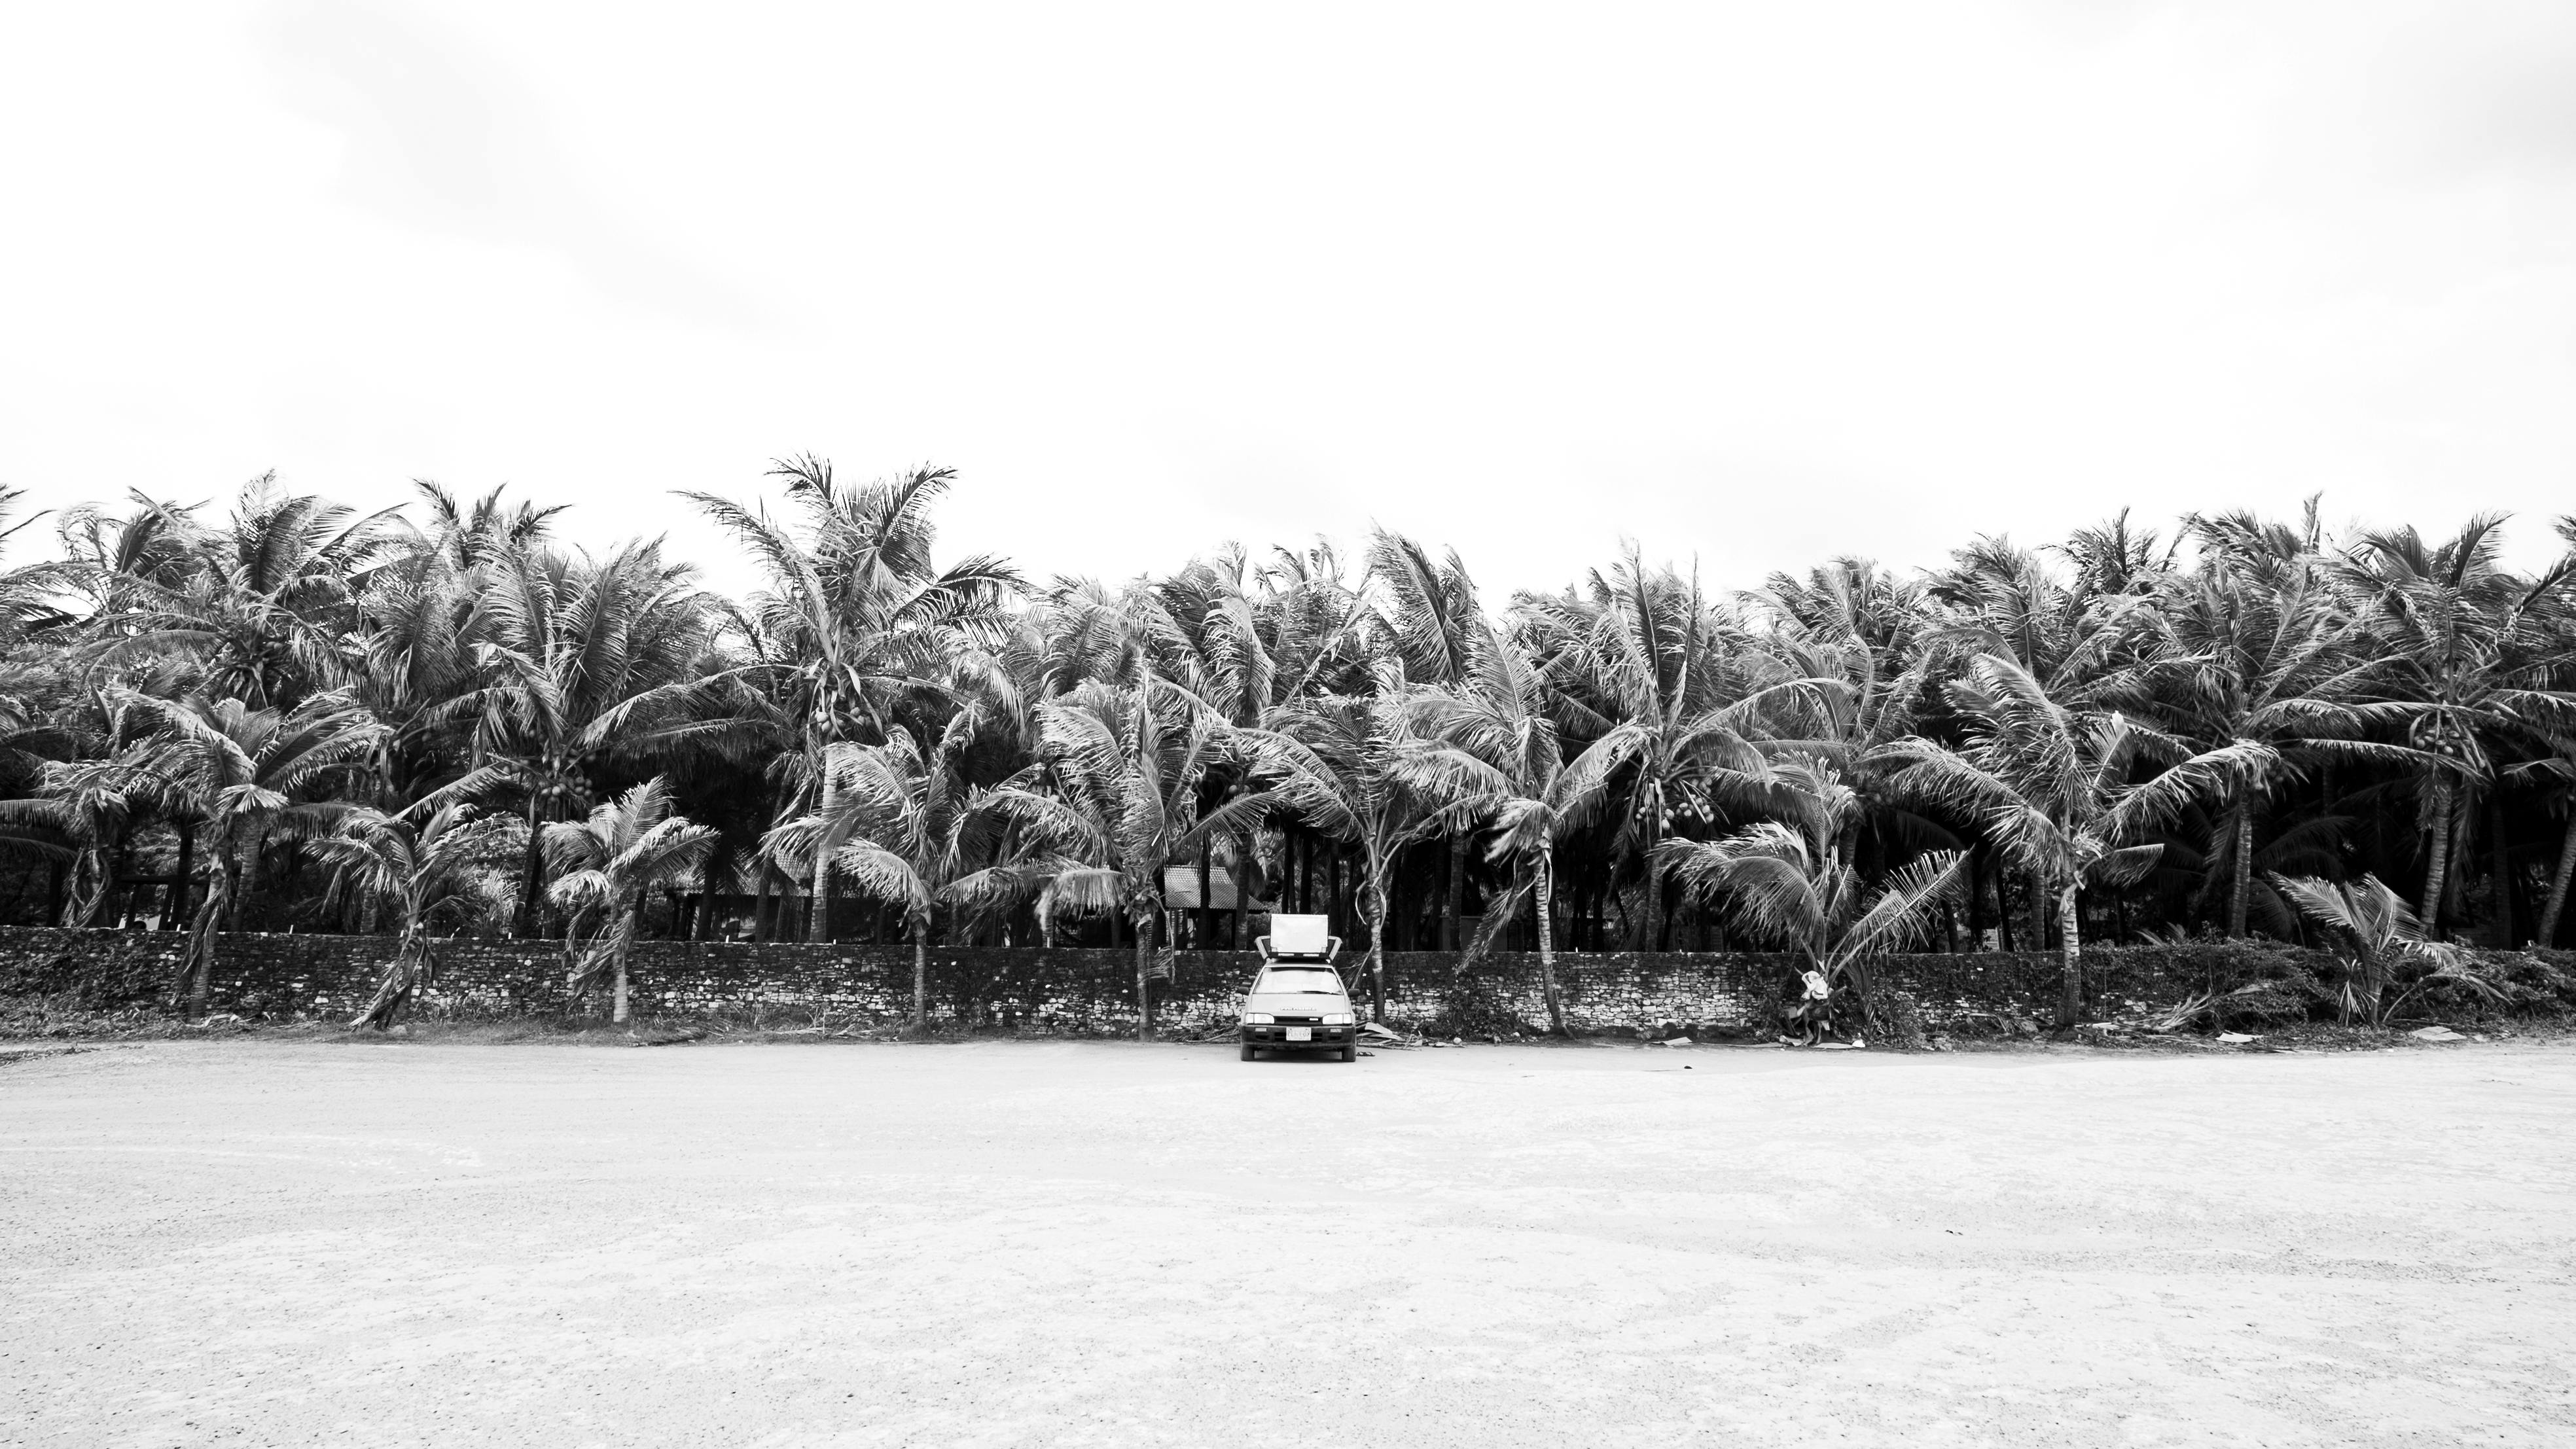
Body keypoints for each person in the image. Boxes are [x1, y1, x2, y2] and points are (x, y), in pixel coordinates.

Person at [1780, 967, 1833, 1046]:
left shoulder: (1820, 987)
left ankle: (1809, 1038)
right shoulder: (1814, 990)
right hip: (1808, 1009)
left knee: (1808, 1018)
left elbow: (1812, 999)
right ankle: (1798, 1037)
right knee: (1787, 1015)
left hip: (1814, 1011)